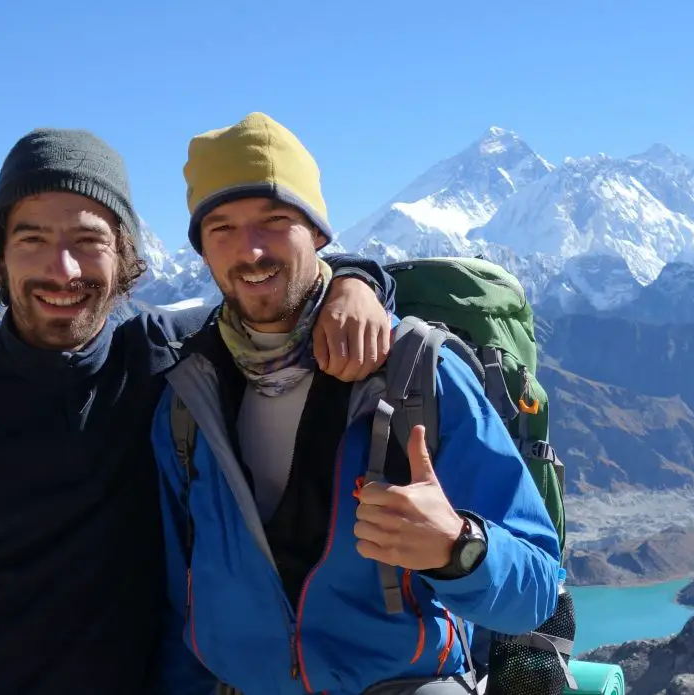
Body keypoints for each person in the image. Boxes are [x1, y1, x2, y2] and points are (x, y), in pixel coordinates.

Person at [0, 125, 398, 695]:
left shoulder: (167, 365)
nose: (61, 270)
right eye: (32, 239)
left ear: (124, 256)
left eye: (87, 241)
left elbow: (274, 292)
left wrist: (354, 282)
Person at [151, 113, 562, 695]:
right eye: (222, 228)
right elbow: (180, 603)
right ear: (202, 249)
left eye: (276, 221)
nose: (251, 249)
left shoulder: (417, 374)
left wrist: (457, 547)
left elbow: (540, 585)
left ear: (318, 232)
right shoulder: (188, 398)